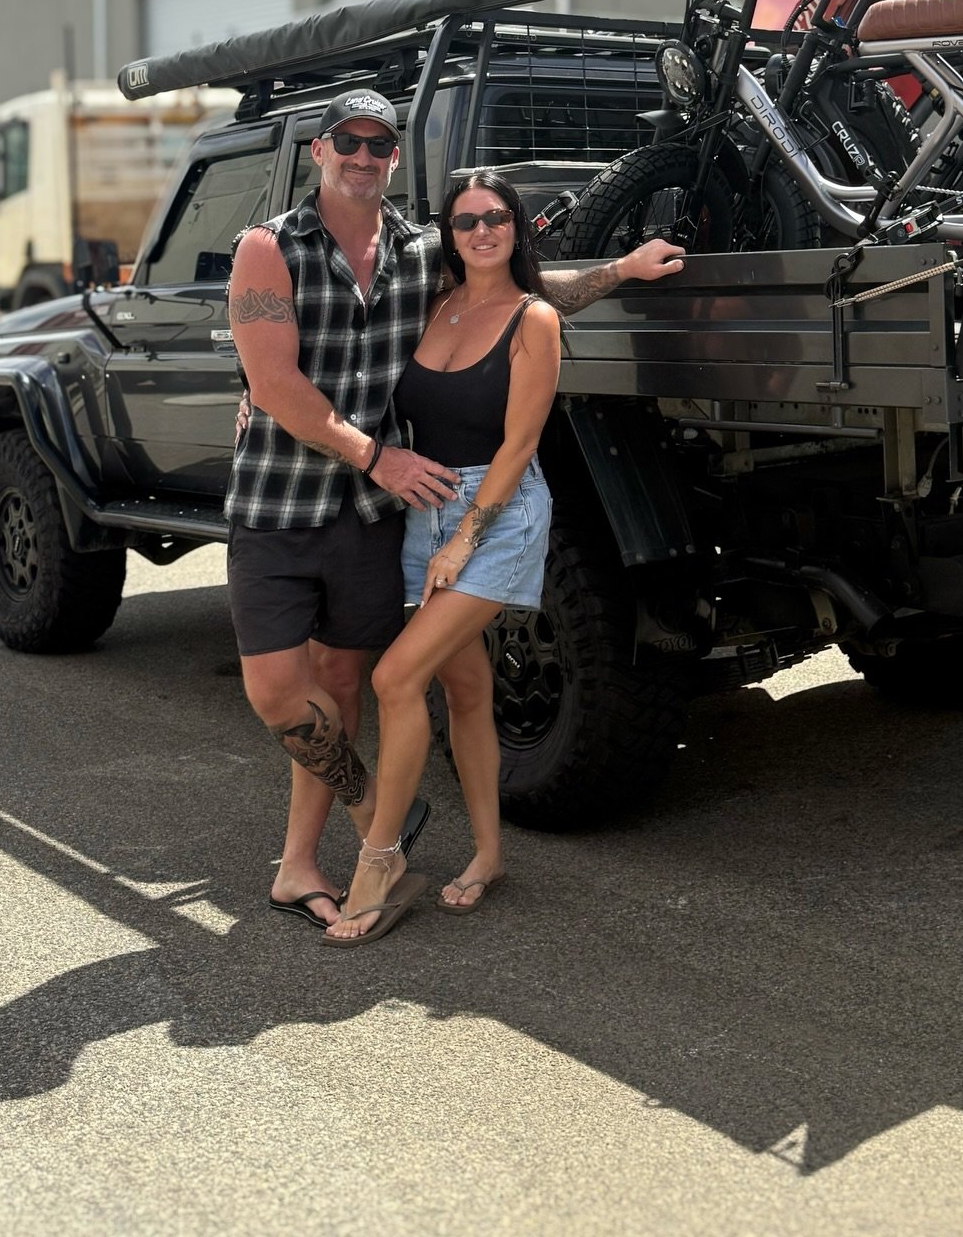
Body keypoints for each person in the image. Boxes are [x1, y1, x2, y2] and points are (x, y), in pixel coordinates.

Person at [227, 88, 682, 934]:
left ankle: (318, 861)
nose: (364, 156)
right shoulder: (269, 247)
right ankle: (376, 820)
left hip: (376, 513)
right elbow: (275, 383)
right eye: (349, 142)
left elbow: (515, 288)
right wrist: (375, 453)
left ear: (394, 159)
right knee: (282, 694)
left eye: (380, 145)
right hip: (289, 500)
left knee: (351, 681)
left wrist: (620, 271)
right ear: (320, 150)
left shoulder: (415, 252)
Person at [324, 171, 557, 944]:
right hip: (424, 505)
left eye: (495, 217)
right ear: (448, 234)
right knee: (465, 686)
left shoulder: (536, 319)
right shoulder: (437, 304)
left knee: (396, 675)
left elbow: (520, 444)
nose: (481, 231)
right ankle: (488, 854)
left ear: (517, 226)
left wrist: (465, 538)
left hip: (500, 510)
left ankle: (380, 858)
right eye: (465, 222)